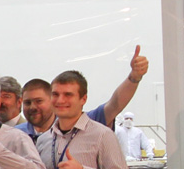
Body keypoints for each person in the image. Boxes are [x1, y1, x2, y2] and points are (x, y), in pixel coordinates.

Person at [16, 45, 151, 140]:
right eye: (28, 102)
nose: (33, 107)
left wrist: (134, 78)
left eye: (39, 101)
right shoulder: (16, 135)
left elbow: (114, 105)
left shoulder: (83, 124)